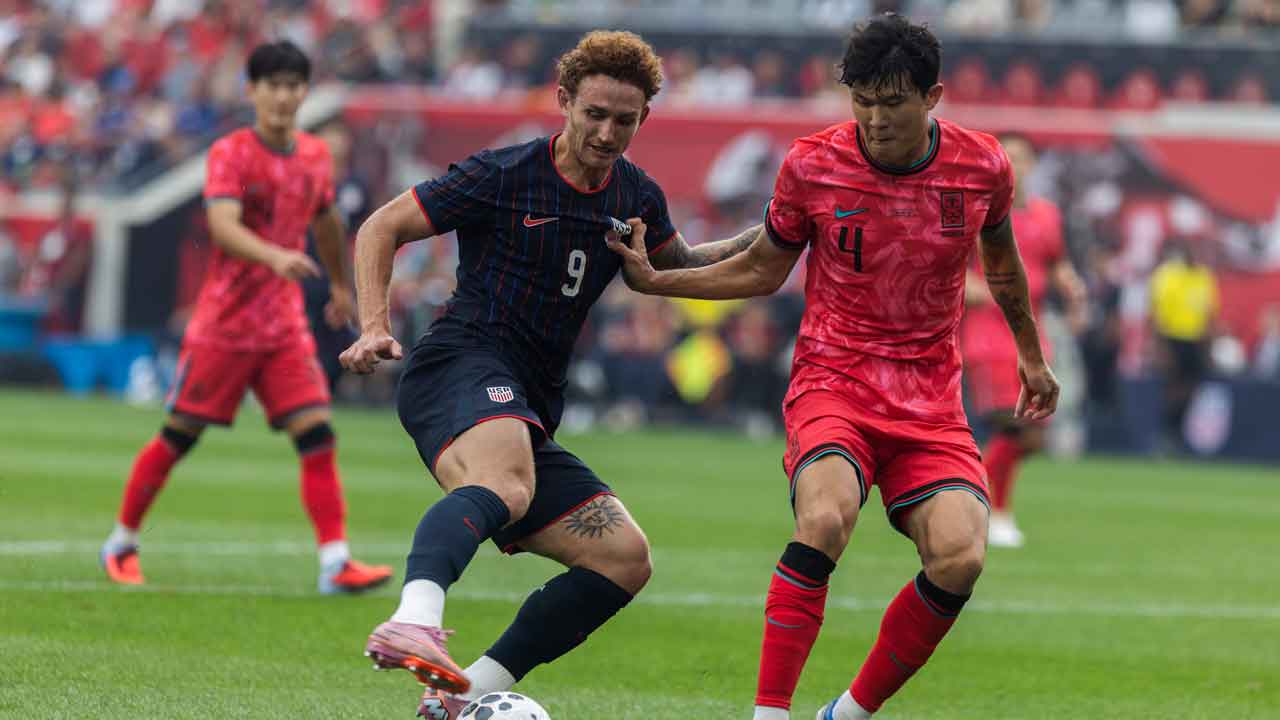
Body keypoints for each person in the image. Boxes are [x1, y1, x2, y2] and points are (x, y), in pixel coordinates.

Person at [608, 14, 1060, 719]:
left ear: (933, 97)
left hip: (929, 400)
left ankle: (845, 715)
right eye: (863, 101)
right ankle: (769, 714)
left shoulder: (982, 168)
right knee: (823, 518)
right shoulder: (813, 164)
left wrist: (1031, 354)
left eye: (893, 103)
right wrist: (660, 282)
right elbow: (763, 268)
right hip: (834, 382)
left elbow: (1001, 267)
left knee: (961, 556)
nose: (875, 120)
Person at [337, 30, 760, 719]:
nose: (607, 133)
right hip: (460, 363)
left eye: (624, 120)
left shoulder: (635, 194)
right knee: (505, 484)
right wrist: (374, 324)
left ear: (644, 118)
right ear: (563, 101)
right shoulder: (504, 173)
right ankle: (414, 617)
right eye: (594, 114)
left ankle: (463, 695)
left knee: (623, 559)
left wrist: (773, 229)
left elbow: (677, 265)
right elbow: (382, 226)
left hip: (528, 406)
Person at [98, 41, 393, 595]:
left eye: (293, 86)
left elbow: (327, 221)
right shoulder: (230, 152)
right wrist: (275, 255)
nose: (283, 96)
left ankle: (335, 563)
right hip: (225, 324)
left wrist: (339, 284)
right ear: (252, 91)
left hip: (283, 326)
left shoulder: (313, 156)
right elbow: (222, 226)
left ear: (304, 93)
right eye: (273, 85)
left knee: (317, 433)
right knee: (179, 435)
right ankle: (121, 543)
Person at [960, 133, 1086, 547]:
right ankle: (995, 513)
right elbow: (951, 264)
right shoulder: (976, 213)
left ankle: (969, 490)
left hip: (1031, 336)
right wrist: (973, 287)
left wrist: (1072, 288)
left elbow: (1056, 262)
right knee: (1015, 427)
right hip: (989, 335)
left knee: (1034, 435)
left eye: (1020, 158)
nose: (1013, 165)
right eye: (1005, 157)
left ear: (1032, 165)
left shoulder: (1047, 215)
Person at [1149, 240, 1218, 451]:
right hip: (1173, 338)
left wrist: (1208, 346)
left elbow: (1209, 314)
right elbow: (1157, 313)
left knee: (1191, 388)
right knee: (1173, 387)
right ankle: (1167, 432)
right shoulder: (1169, 275)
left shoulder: (1204, 277)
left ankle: (1176, 431)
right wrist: (1161, 346)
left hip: (1195, 341)